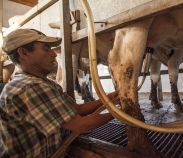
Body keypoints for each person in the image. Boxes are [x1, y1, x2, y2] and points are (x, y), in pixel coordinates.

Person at [0, 28, 117, 158]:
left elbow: (76, 109)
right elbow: (82, 125)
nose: (54, 54)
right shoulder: (30, 86)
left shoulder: (44, 83)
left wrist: (108, 99)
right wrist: (120, 113)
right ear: (23, 53)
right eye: (46, 48)